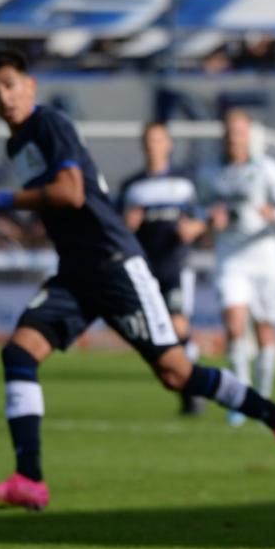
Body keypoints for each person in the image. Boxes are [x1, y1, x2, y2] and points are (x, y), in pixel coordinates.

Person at [0, 51, 275, 511]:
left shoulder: (49, 125)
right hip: (78, 272)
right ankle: (29, 479)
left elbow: (71, 191)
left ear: (30, 85)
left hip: (114, 265)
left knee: (176, 373)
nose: (3, 96)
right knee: (19, 353)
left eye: (9, 84)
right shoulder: (17, 144)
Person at [200, 109, 275, 426]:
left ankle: (262, 397)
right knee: (233, 325)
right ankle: (241, 401)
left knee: (264, 329)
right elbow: (199, 205)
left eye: (240, 132)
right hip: (230, 256)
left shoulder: (266, 170)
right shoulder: (210, 172)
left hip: (264, 257)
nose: (235, 138)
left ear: (248, 136)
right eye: (230, 132)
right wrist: (209, 217)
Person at [116, 122, 207, 415]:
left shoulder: (184, 182)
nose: (154, 146)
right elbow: (117, 228)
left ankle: (193, 392)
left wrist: (193, 228)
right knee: (159, 335)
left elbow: (202, 217)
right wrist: (127, 225)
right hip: (143, 269)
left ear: (168, 144)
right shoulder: (132, 186)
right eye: (149, 141)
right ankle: (183, 382)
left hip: (175, 266)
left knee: (179, 326)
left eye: (159, 140)